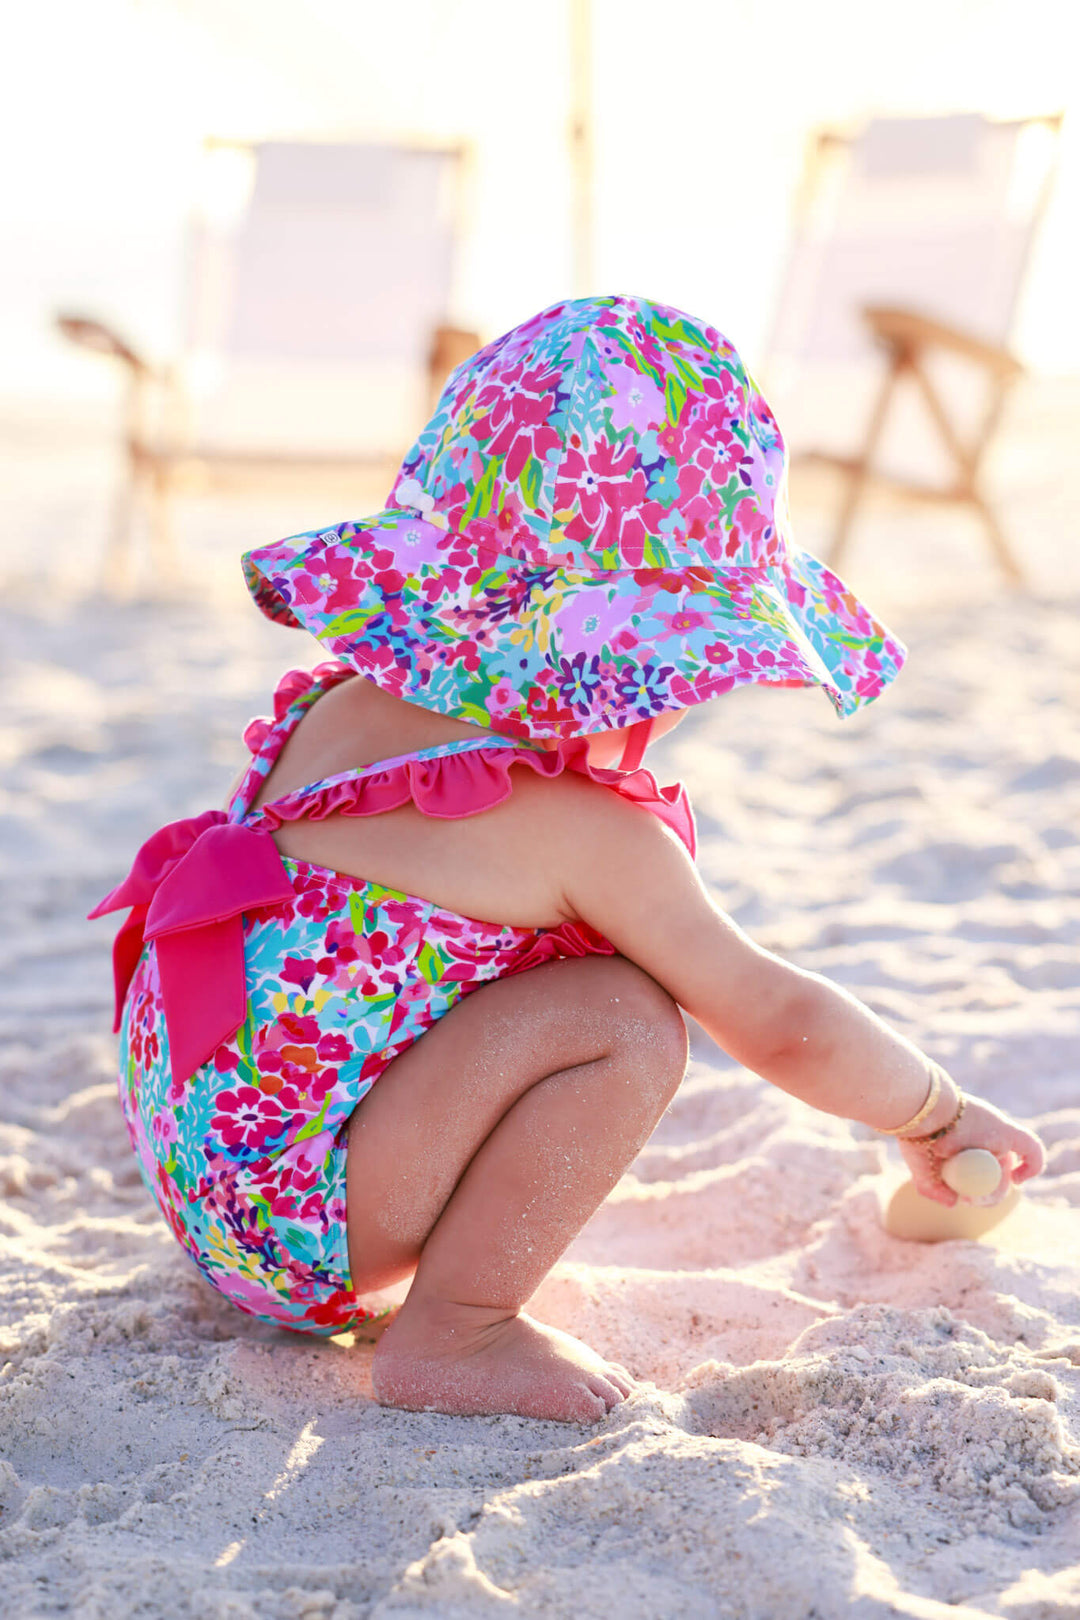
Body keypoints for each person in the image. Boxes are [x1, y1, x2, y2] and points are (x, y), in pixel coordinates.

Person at [90, 295, 1044, 1424]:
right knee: (624, 1019)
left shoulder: (338, 703)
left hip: (209, 1169)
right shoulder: (577, 825)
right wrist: (934, 1116)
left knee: (545, 992)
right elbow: (778, 1017)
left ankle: (409, 1278)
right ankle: (459, 1330)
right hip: (304, 1222)